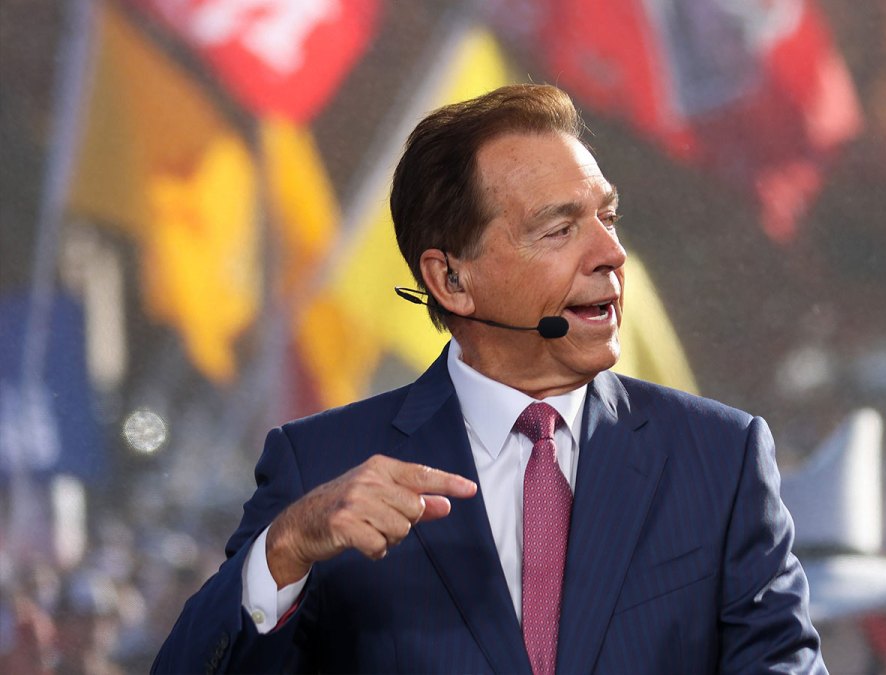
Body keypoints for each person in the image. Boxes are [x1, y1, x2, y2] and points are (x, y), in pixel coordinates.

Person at [152, 84, 825, 674]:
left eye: (608, 217)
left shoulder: (719, 458)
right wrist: (289, 546)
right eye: (560, 228)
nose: (612, 254)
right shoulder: (321, 469)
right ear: (451, 279)